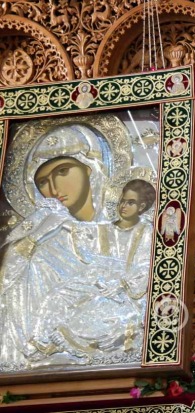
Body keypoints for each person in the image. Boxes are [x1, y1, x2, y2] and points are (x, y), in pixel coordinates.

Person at [0, 123, 141, 371]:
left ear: (89, 167)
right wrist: (36, 236)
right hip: (43, 358)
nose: (54, 189)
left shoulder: (128, 229)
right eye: (43, 181)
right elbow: (10, 286)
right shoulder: (40, 239)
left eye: (63, 171)